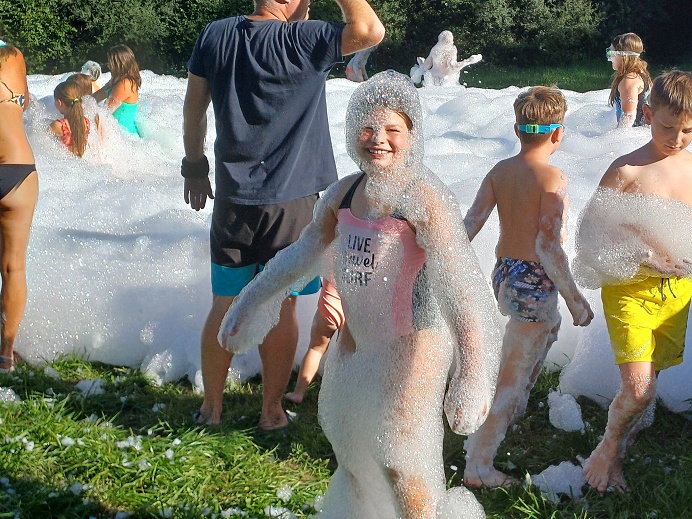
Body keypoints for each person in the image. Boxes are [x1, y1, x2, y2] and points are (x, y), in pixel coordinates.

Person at [219, 70, 501, 518]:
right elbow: (303, 251)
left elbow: (460, 286)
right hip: (356, 347)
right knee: (354, 456)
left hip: (415, 347)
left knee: (401, 462)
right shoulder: (344, 193)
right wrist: (251, 301)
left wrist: (472, 369)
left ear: (412, 135)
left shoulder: (423, 198)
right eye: (368, 128)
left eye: (392, 129)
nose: (378, 139)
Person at [182, 0, 385, 430]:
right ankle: (272, 413)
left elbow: (194, 106)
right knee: (282, 306)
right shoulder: (305, 40)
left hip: (232, 199)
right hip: (292, 204)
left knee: (224, 304)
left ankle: (210, 409)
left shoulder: (215, 34)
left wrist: (195, 166)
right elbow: (370, 29)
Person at [462, 86, 594, 488]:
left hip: (505, 273)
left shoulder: (499, 171)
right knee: (512, 372)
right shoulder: (553, 178)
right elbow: (548, 247)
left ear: (517, 129)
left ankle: (514, 410)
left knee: (547, 330)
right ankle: (479, 465)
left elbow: (469, 225)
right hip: (535, 281)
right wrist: (576, 299)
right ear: (559, 133)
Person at [576, 70, 692, 493]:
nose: (676, 139)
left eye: (688, 130)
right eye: (667, 127)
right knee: (640, 387)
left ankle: (624, 442)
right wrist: (642, 255)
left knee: (650, 378)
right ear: (646, 113)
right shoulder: (626, 170)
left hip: (677, 291)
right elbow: (591, 233)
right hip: (630, 289)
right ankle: (607, 450)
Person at [0, 39, 39, 372]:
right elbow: (23, 101)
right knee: (14, 267)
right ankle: (6, 353)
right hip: (18, 167)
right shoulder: (12, 55)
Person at [284, 280, 344, 404]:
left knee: (316, 349)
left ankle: (298, 393)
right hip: (354, 308)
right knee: (347, 354)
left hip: (330, 303)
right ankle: (340, 396)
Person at [93, 45, 142, 136]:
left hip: (126, 136)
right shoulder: (116, 80)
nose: (108, 66)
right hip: (117, 134)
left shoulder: (125, 84)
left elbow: (106, 112)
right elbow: (95, 97)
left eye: (110, 63)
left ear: (119, 64)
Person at [606, 32, 652, 128]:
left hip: (635, 133)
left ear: (623, 56)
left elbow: (629, 116)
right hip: (642, 133)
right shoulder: (642, 75)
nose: (610, 58)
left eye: (612, 54)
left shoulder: (629, 80)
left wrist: (617, 135)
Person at [410, 30, 482, 86]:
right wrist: (468, 61)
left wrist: (417, 73)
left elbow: (425, 67)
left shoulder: (434, 49)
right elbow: (454, 66)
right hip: (445, 80)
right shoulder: (452, 50)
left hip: (431, 77)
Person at [50, 79, 93, 157]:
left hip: (63, 163)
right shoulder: (86, 122)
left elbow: (39, 142)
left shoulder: (58, 125)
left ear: (59, 102)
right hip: (80, 162)